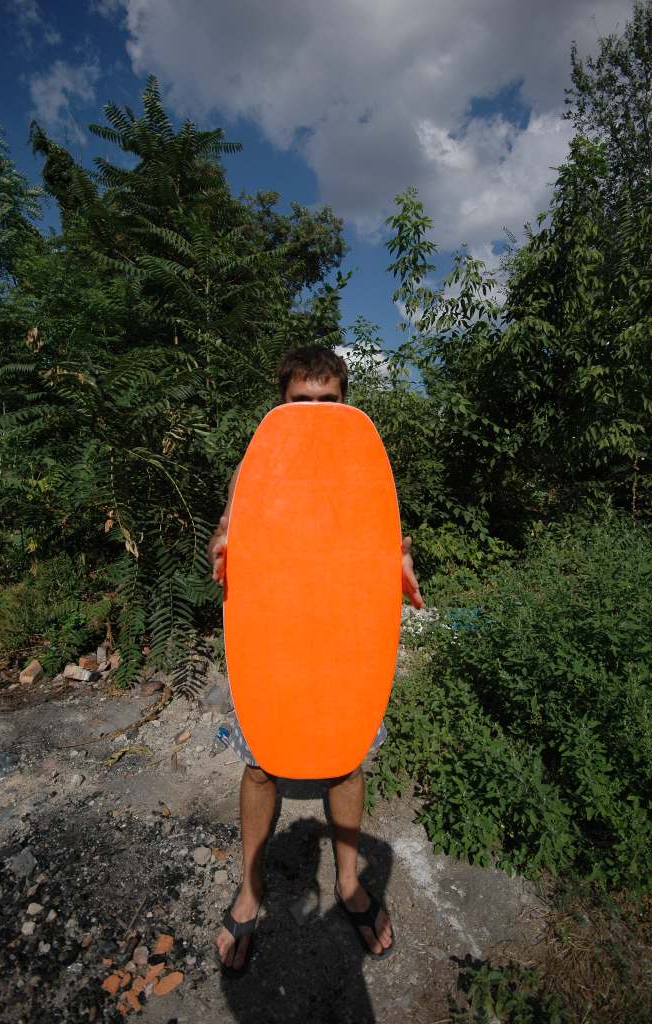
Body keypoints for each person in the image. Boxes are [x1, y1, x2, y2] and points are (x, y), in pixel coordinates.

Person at [207, 345, 424, 972]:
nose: (314, 411)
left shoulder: (362, 462)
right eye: (301, 400)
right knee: (260, 766)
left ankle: (349, 882)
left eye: (327, 400)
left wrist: (399, 561)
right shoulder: (256, 465)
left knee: (345, 759)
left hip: (342, 635)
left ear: (344, 401)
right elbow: (229, 532)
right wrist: (222, 545)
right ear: (282, 400)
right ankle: (251, 891)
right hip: (275, 633)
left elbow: (383, 539)